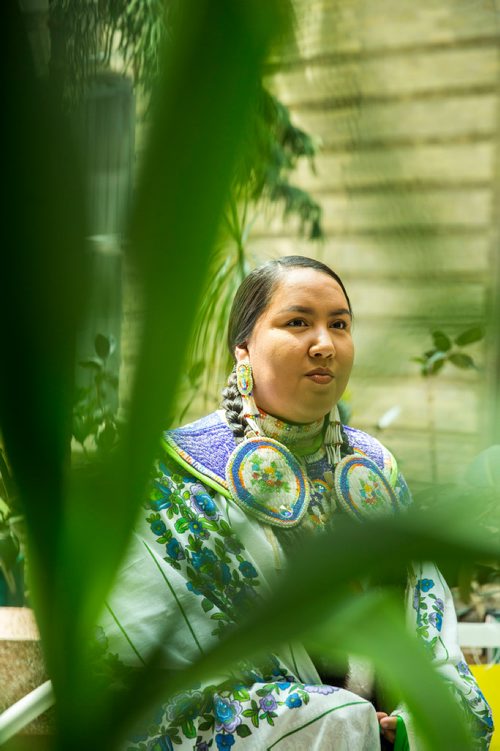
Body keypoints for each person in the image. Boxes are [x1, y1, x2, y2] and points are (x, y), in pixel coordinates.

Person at [101, 256, 493, 750]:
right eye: (297, 322)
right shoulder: (172, 473)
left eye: (340, 324)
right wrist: (338, 720)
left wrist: (419, 715)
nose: (325, 344)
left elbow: (430, 626)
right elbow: (146, 671)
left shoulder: (376, 468)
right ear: (243, 347)